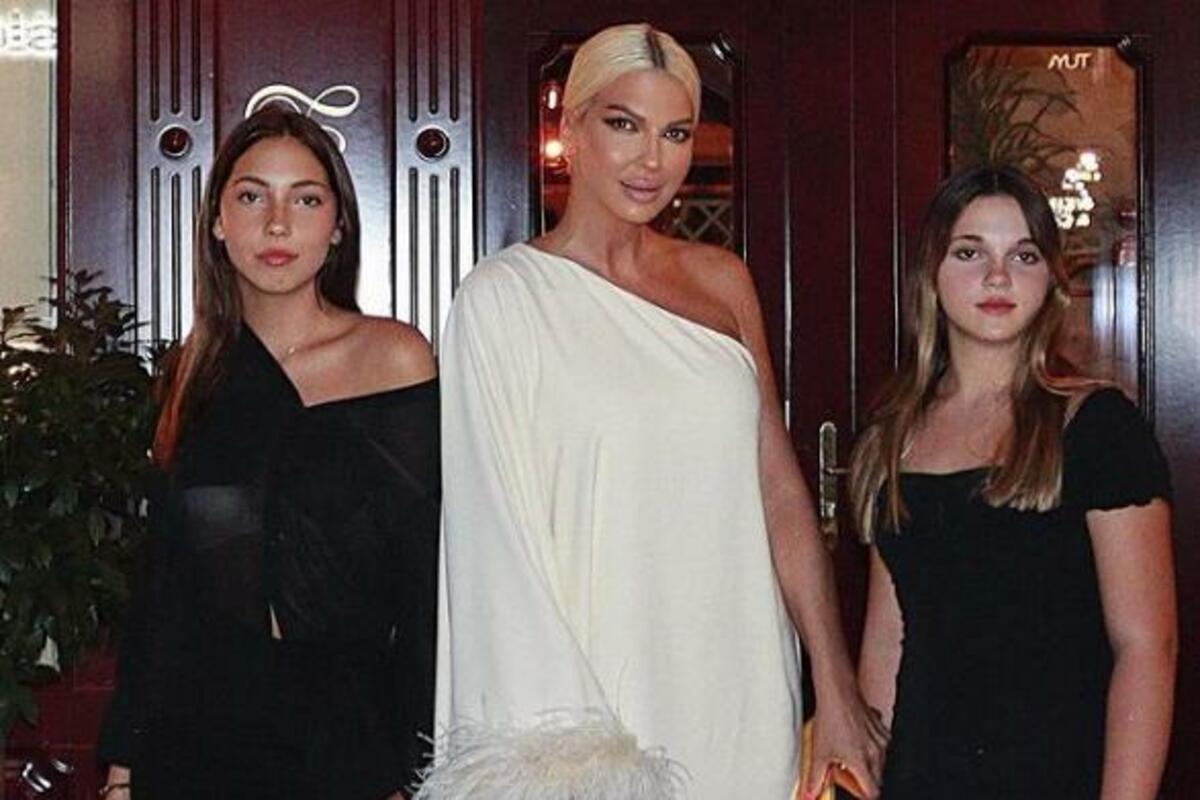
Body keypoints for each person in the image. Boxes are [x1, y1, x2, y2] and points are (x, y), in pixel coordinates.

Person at [421, 23, 887, 800]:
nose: (651, 160)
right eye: (623, 124)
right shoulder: (501, 300)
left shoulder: (722, 282)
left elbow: (779, 493)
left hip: (740, 688)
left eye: (675, 133)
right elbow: (495, 545)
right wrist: (572, 759)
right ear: (570, 126)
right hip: (597, 699)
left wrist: (834, 685)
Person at [97, 106, 440, 799]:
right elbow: (163, 588)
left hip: (344, 735)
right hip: (194, 735)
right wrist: (123, 769)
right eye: (252, 196)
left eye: (305, 199)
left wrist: (412, 767)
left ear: (337, 225)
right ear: (219, 222)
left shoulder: (393, 357)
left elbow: (426, 582)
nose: (277, 224)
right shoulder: (193, 372)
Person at [851, 166, 1176, 798]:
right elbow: (887, 645)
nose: (997, 277)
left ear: (1050, 279)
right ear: (931, 273)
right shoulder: (890, 438)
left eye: (1023, 255)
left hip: (1058, 776)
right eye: (970, 252)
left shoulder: (1098, 428)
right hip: (923, 777)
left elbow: (1147, 648)